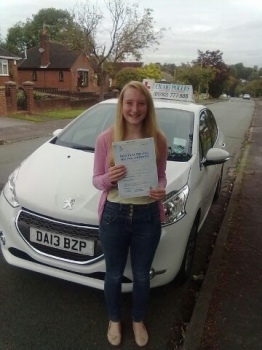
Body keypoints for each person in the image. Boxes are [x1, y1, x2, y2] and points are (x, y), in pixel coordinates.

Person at [93, 81, 167, 347]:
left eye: (141, 103)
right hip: (115, 214)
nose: (135, 109)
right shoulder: (106, 139)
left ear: (148, 106)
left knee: (142, 274)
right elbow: (96, 180)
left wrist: (161, 189)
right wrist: (108, 179)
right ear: (121, 105)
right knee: (113, 274)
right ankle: (114, 319)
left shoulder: (158, 140)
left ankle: (137, 320)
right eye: (129, 103)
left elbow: (161, 176)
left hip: (148, 216)